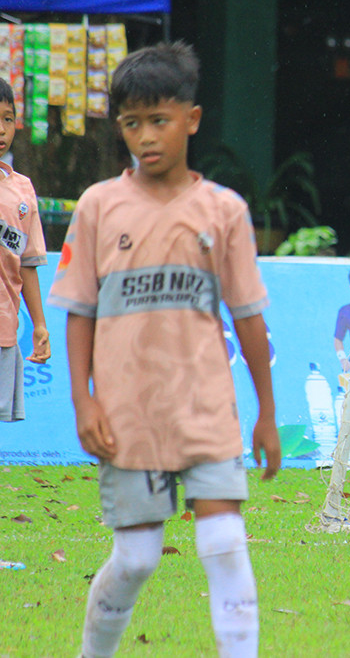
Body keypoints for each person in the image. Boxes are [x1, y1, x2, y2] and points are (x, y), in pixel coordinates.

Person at [47, 43, 280, 658]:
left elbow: (250, 317)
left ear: (192, 119)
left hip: (205, 408)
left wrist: (268, 412)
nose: (146, 137)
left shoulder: (223, 211)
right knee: (137, 557)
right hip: (128, 417)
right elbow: (79, 312)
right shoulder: (98, 207)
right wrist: (84, 402)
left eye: (159, 120)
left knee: (224, 541)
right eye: (131, 124)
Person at [0, 77, 50, 422]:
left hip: (4, 325)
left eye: (7, 118)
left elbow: (27, 263)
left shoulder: (22, 191)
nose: (1, 129)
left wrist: (40, 324)